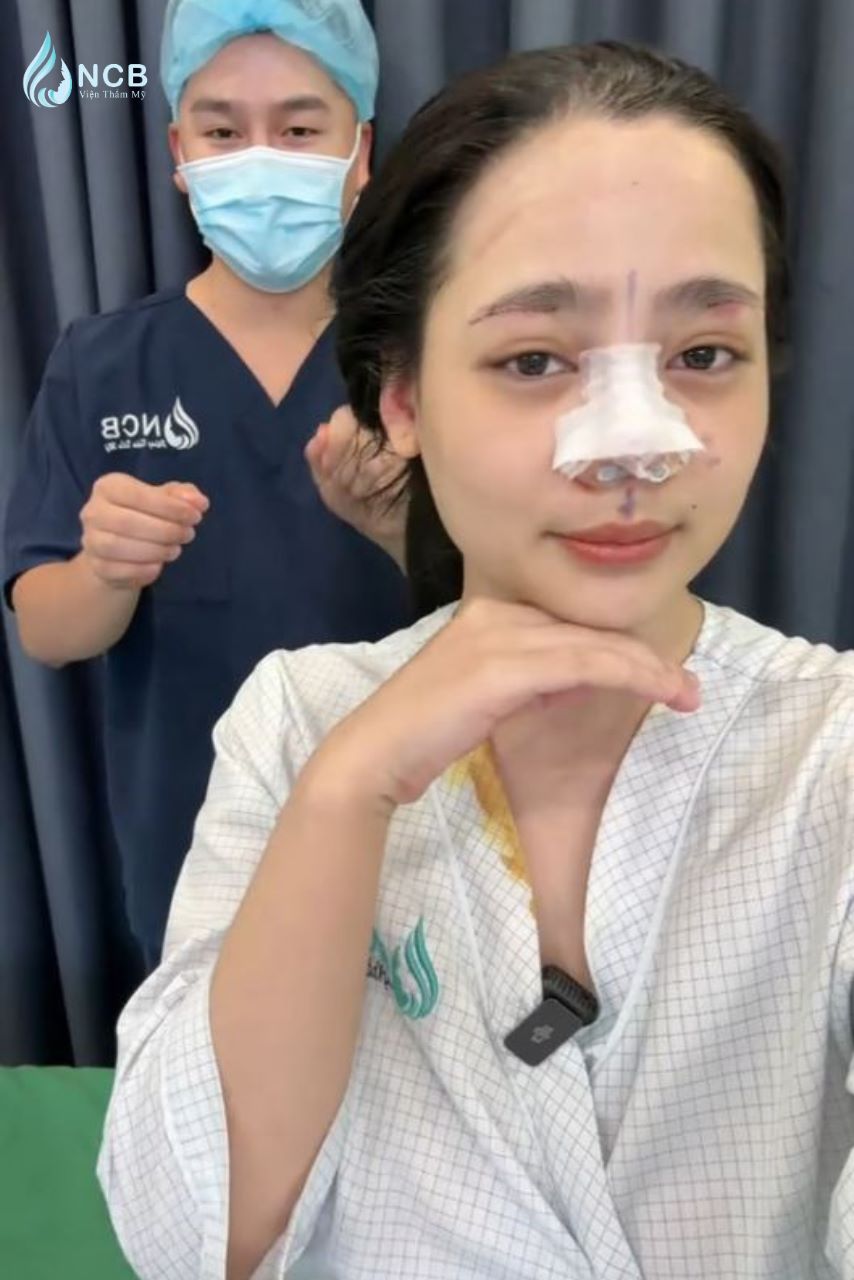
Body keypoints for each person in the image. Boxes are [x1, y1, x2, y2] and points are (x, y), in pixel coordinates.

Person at [98, 40, 854, 1280]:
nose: (633, 448)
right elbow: (195, 1236)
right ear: (399, 398)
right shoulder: (301, 723)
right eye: (533, 360)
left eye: (702, 355)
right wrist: (350, 792)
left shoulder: (828, 749)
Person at [3, 0, 411, 971]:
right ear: (179, 152)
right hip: (189, 852)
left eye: (299, 130)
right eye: (223, 131)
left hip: (413, 836)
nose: (259, 159)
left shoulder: (420, 358)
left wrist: (401, 530)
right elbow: (46, 630)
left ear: (359, 152)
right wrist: (105, 570)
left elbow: (509, 601)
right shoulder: (103, 364)